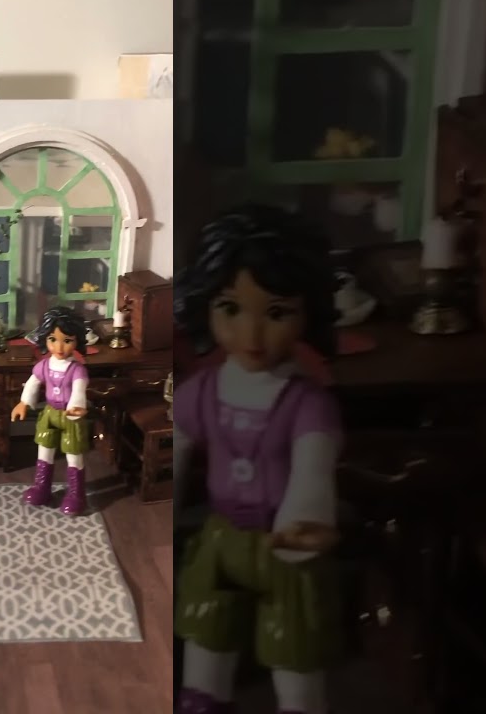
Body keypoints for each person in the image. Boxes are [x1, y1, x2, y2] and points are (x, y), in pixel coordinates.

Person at [174, 204, 343, 714]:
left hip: (286, 549)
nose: (251, 336)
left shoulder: (307, 404)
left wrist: (306, 521)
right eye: (230, 308)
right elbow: (171, 459)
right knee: (205, 653)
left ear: (307, 313)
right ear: (206, 306)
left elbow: (314, 469)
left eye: (276, 313)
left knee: (296, 666)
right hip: (221, 541)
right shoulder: (200, 393)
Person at [11, 306, 92, 516]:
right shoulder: (44, 365)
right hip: (49, 413)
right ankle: (42, 487)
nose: (59, 347)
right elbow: (32, 383)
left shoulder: (77, 369)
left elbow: (79, 390)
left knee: (73, 454)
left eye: (67, 340)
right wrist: (24, 403)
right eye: (52, 339)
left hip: (70, 416)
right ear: (44, 340)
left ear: (77, 341)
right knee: (44, 449)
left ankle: (76, 495)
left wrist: (76, 407)